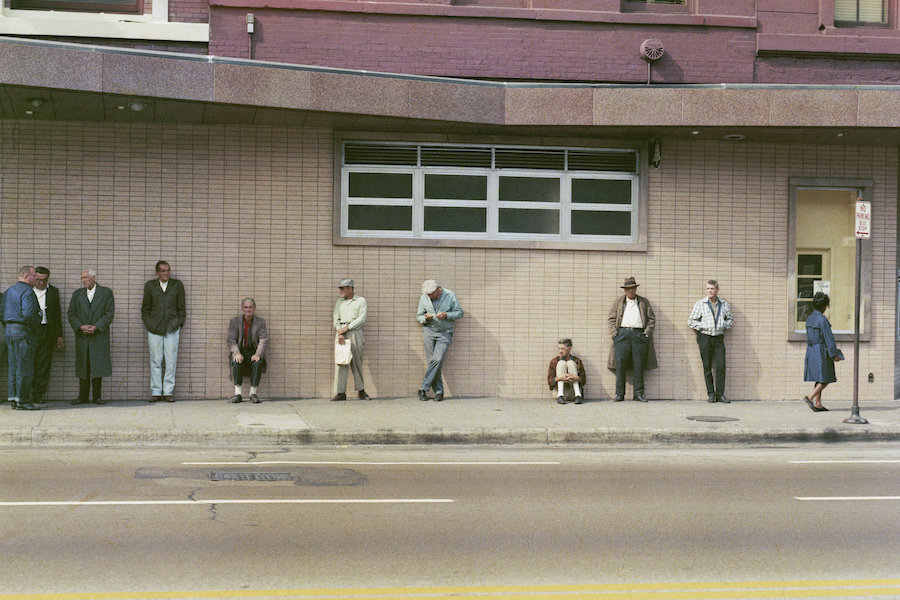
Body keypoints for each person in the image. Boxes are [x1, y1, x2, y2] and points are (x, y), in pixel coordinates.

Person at [67, 269, 115, 406]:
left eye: (86, 277)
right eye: (82, 278)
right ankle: (82, 396)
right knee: (84, 367)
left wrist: (96, 327)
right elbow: (71, 314)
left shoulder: (106, 293)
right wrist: (80, 326)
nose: (83, 280)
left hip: (98, 336)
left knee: (97, 367)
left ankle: (97, 396)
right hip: (82, 336)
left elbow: (109, 313)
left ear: (93, 277)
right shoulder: (77, 294)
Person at [141, 260, 186, 403]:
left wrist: (179, 323)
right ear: (157, 272)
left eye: (168, 270)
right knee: (155, 360)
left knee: (171, 361)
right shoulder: (150, 286)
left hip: (172, 328)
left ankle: (168, 392)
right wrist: (149, 324)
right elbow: (145, 309)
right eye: (163, 271)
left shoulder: (177, 285)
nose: (166, 273)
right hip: (154, 328)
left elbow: (182, 308)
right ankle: (155, 392)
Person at [607, 277, 657, 402]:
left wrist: (646, 334)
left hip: (639, 335)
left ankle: (638, 394)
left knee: (639, 365)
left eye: (633, 288)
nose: (631, 291)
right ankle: (619, 394)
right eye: (628, 288)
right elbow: (611, 319)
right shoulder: (619, 302)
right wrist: (615, 334)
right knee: (621, 365)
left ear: (635, 289)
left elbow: (651, 319)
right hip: (622, 335)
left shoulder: (643, 302)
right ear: (625, 290)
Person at [416, 279, 463, 402]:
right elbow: (419, 316)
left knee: (437, 359)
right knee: (432, 361)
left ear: (438, 289)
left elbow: (459, 312)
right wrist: (425, 318)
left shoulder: (450, 295)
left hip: (444, 332)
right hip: (429, 331)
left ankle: (423, 388)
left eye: (431, 293)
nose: (429, 296)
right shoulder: (424, 297)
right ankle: (439, 392)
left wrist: (447, 315)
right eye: (428, 294)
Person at [2, 266, 42, 410]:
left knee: (13, 366)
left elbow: (2, 313)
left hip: (9, 330)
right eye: (34, 276)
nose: (36, 278)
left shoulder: (8, 291)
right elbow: (30, 315)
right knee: (25, 367)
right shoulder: (28, 291)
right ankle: (23, 400)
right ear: (26, 276)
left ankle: (14, 398)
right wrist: (33, 329)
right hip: (23, 332)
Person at [688, 280, 733, 403]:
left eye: (712, 289)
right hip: (705, 337)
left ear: (717, 290)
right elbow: (691, 321)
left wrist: (723, 324)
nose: (709, 291)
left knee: (721, 366)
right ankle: (711, 394)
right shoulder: (700, 304)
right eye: (708, 288)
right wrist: (703, 327)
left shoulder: (724, 304)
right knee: (707, 366)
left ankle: (720, 394)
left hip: (718, 338)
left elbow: (730, 319)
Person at [803, 291, 843, 412]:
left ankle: (818, 403)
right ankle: (810, 397)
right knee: (826, 377)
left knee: (818, 377)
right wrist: (835, 354)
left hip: (811, 350)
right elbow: (828, 338)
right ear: (824, 306)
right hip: (821, 350)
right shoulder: (822, 319)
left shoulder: (809, 318)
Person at [332, 278, 370, 401]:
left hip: (355, 332)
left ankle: (361, 390)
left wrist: (347, 328)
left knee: (357, 361)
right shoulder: (339, 302)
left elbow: (361, 318)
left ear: (350, 288)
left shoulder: (360, 301)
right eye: (340, 288)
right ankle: (340, 392)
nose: (340, 291)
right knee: (341, 362)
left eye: (342, 288)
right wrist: (340, 332)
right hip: (341, 333)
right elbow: (336, 318)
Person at [31, 267, 64, 404]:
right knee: (28, 362)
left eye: (44, 280)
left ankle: (38, 393)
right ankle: (24, 392)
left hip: (46, 330)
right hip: (30, 330)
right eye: (38, 280)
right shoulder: (27, 290)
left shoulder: (53, 291)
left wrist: (59, 335)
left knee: (43, 364)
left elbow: (57, 314)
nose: (41, 283)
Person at [227, 298, 268, 403]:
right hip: (240, 351)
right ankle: (238, 394)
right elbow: (231, 339)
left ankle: (253, 393)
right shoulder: (234, 321)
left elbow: (263, 339)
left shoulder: (260, 322)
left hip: (253, 351)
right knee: (236, 361)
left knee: (258, 362)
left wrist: (258, 354)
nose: (248, 310)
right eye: (245, 307)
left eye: (250, 307)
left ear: (254, 309)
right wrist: (236, 353)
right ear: (242, 308)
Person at [547, 338, 586, 405]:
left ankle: (578, 395)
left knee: (571, 363)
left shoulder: (577, 361)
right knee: (561, 363)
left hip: (572, 393)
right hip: (559, 392)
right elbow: (549, 381)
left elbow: (584, 380)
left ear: (569, 349)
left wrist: (576, 378)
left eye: (563, 349)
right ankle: (560, 395)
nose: (560, 351)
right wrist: (559, 378)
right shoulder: (554, 361)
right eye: (559, 349)